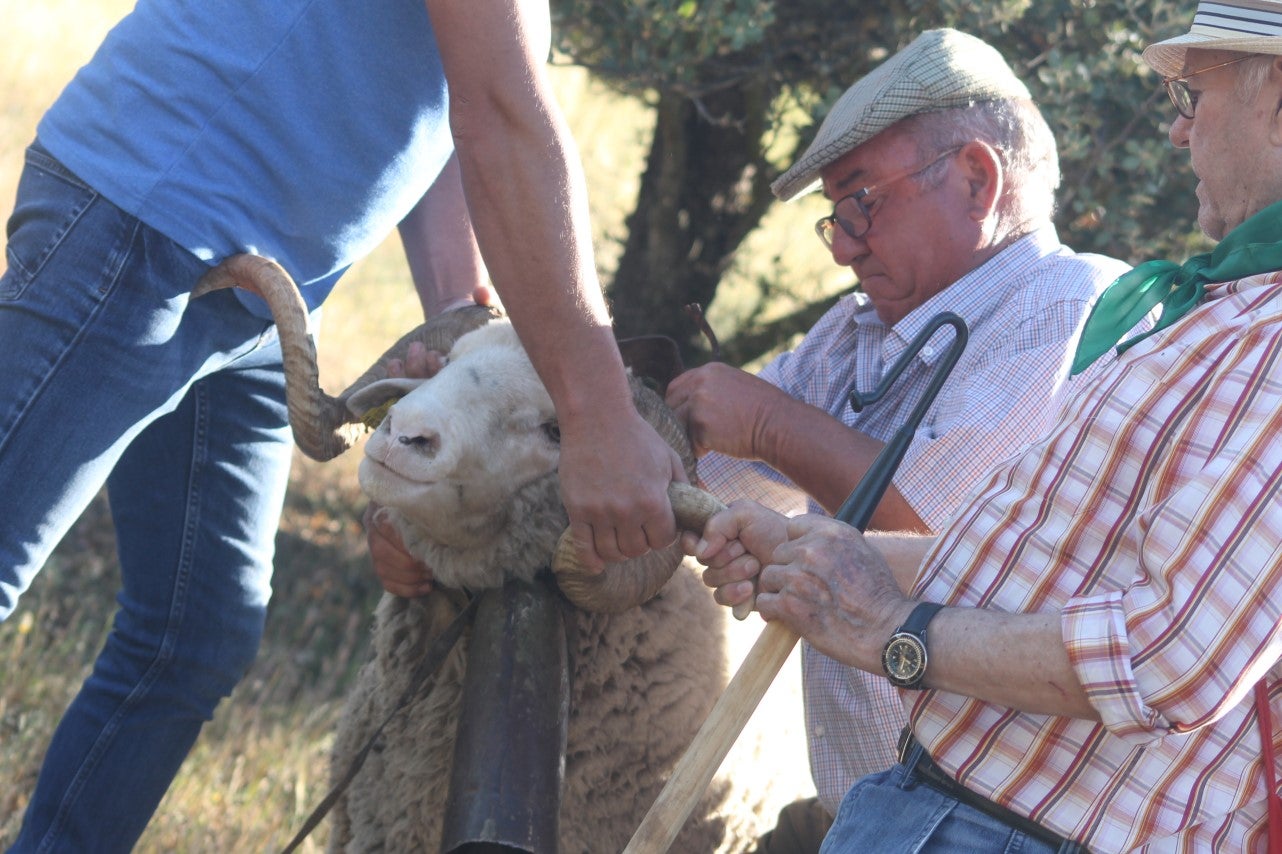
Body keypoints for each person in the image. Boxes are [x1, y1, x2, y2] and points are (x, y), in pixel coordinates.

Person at [0, 1, 685, 850]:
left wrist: (454, 327)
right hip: (147, 220)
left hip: (262, 286)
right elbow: (500, 118)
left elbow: (445, 119)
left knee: (194, 635)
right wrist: (599, 417)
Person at [694, 2, 1282, 849]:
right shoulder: (1218, 314)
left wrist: (892, 633)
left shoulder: (1105, 308)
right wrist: (816, 556)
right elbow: (1025, 565)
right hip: (951, 808)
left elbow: (1168, 659)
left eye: (1192, 97)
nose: (1177, 135)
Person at [663, 28, 1131, 845]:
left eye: (860, 204)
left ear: (978, 178)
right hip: (868, 814)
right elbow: (703, 474)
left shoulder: (1071, 310)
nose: (843, 246)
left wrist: (771, 425)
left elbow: (932, 527)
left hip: (993, 829)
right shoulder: (849, 337)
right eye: (833, 218)